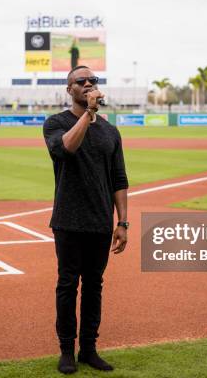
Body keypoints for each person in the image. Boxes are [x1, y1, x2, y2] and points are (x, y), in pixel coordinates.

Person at [43, 65, 129, 374]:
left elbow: (119, 179)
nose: (89, 84)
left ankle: (89, 350)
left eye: (93, 80)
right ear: (70, 90)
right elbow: (66, 149)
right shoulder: (56, 123)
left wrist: (123, 223)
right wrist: (88, 115)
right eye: (81, 81)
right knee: (67, 285)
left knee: (94, 286)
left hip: (100, 222)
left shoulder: (110, 131)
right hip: (68, 220)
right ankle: (67, 350)